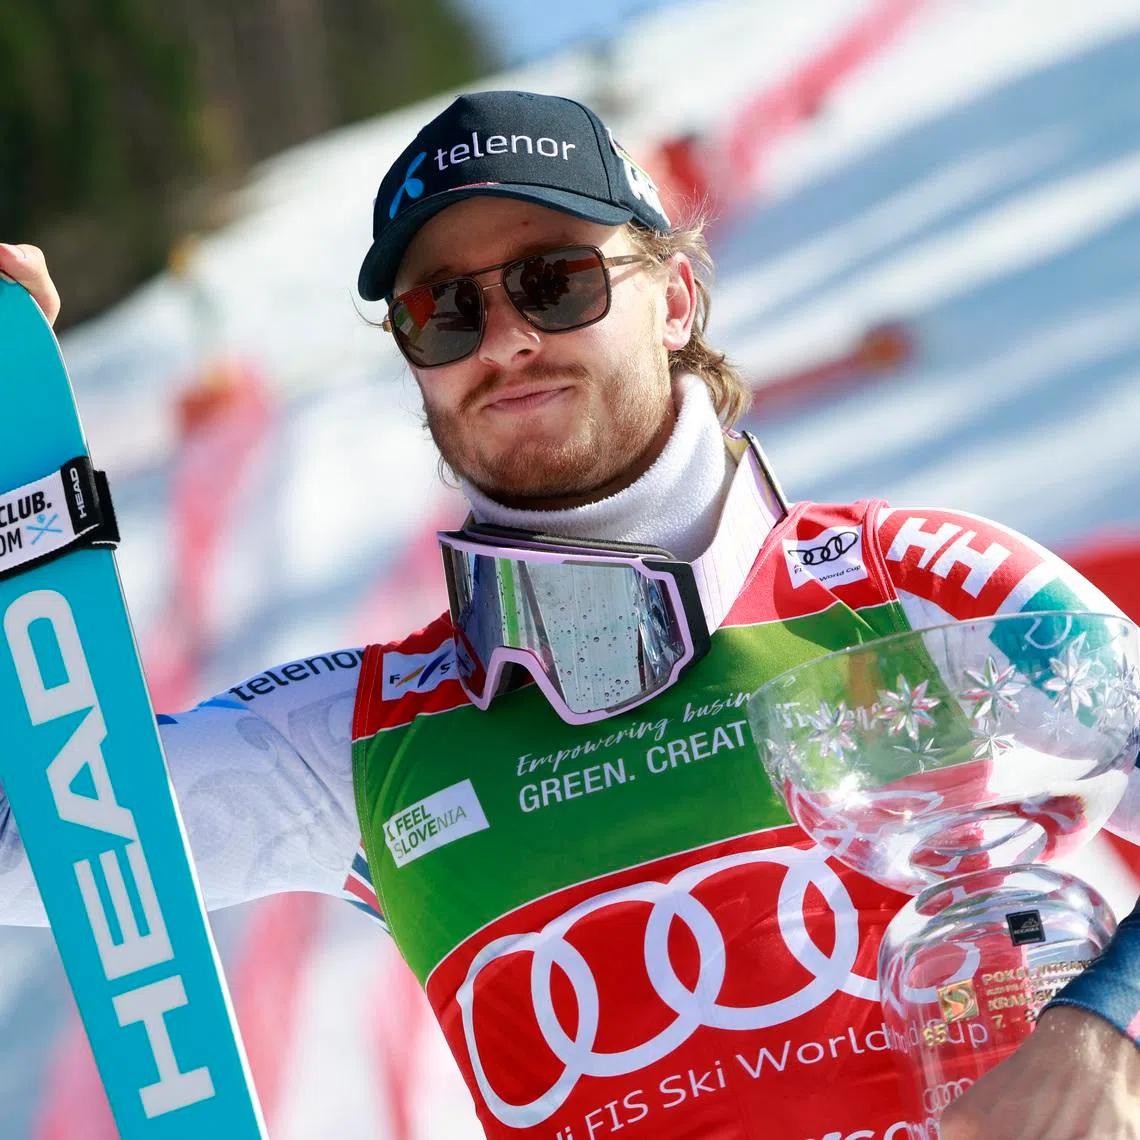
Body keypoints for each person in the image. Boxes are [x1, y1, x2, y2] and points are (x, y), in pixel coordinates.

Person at [2, 89, 1139, 1140]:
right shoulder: (362, 738)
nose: (502, 340)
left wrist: (1110, 1032)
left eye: (555, 281)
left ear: (677, 297)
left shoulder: (911, 586)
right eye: (443, 312)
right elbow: (35, 838)